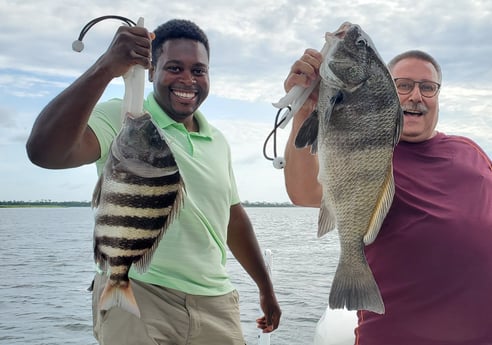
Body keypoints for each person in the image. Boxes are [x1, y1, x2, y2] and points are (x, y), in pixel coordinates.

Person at [26, 18, 281, 345]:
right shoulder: (123, 117)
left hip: (216, 301)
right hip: (141, 293)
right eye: (174, 68)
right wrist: (105, 67)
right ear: (151, 71)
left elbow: (232, 218)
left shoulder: (217, 141)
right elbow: (44, 152)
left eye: (199, 70)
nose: (187, 79)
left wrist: (266, 289)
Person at [282, 48, 492, 344]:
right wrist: (304, 108)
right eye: (403, 85)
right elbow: (304, 192)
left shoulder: (471, 151)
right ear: (384, 91)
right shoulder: (372, 155)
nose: (416, 96)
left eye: (427, 87)